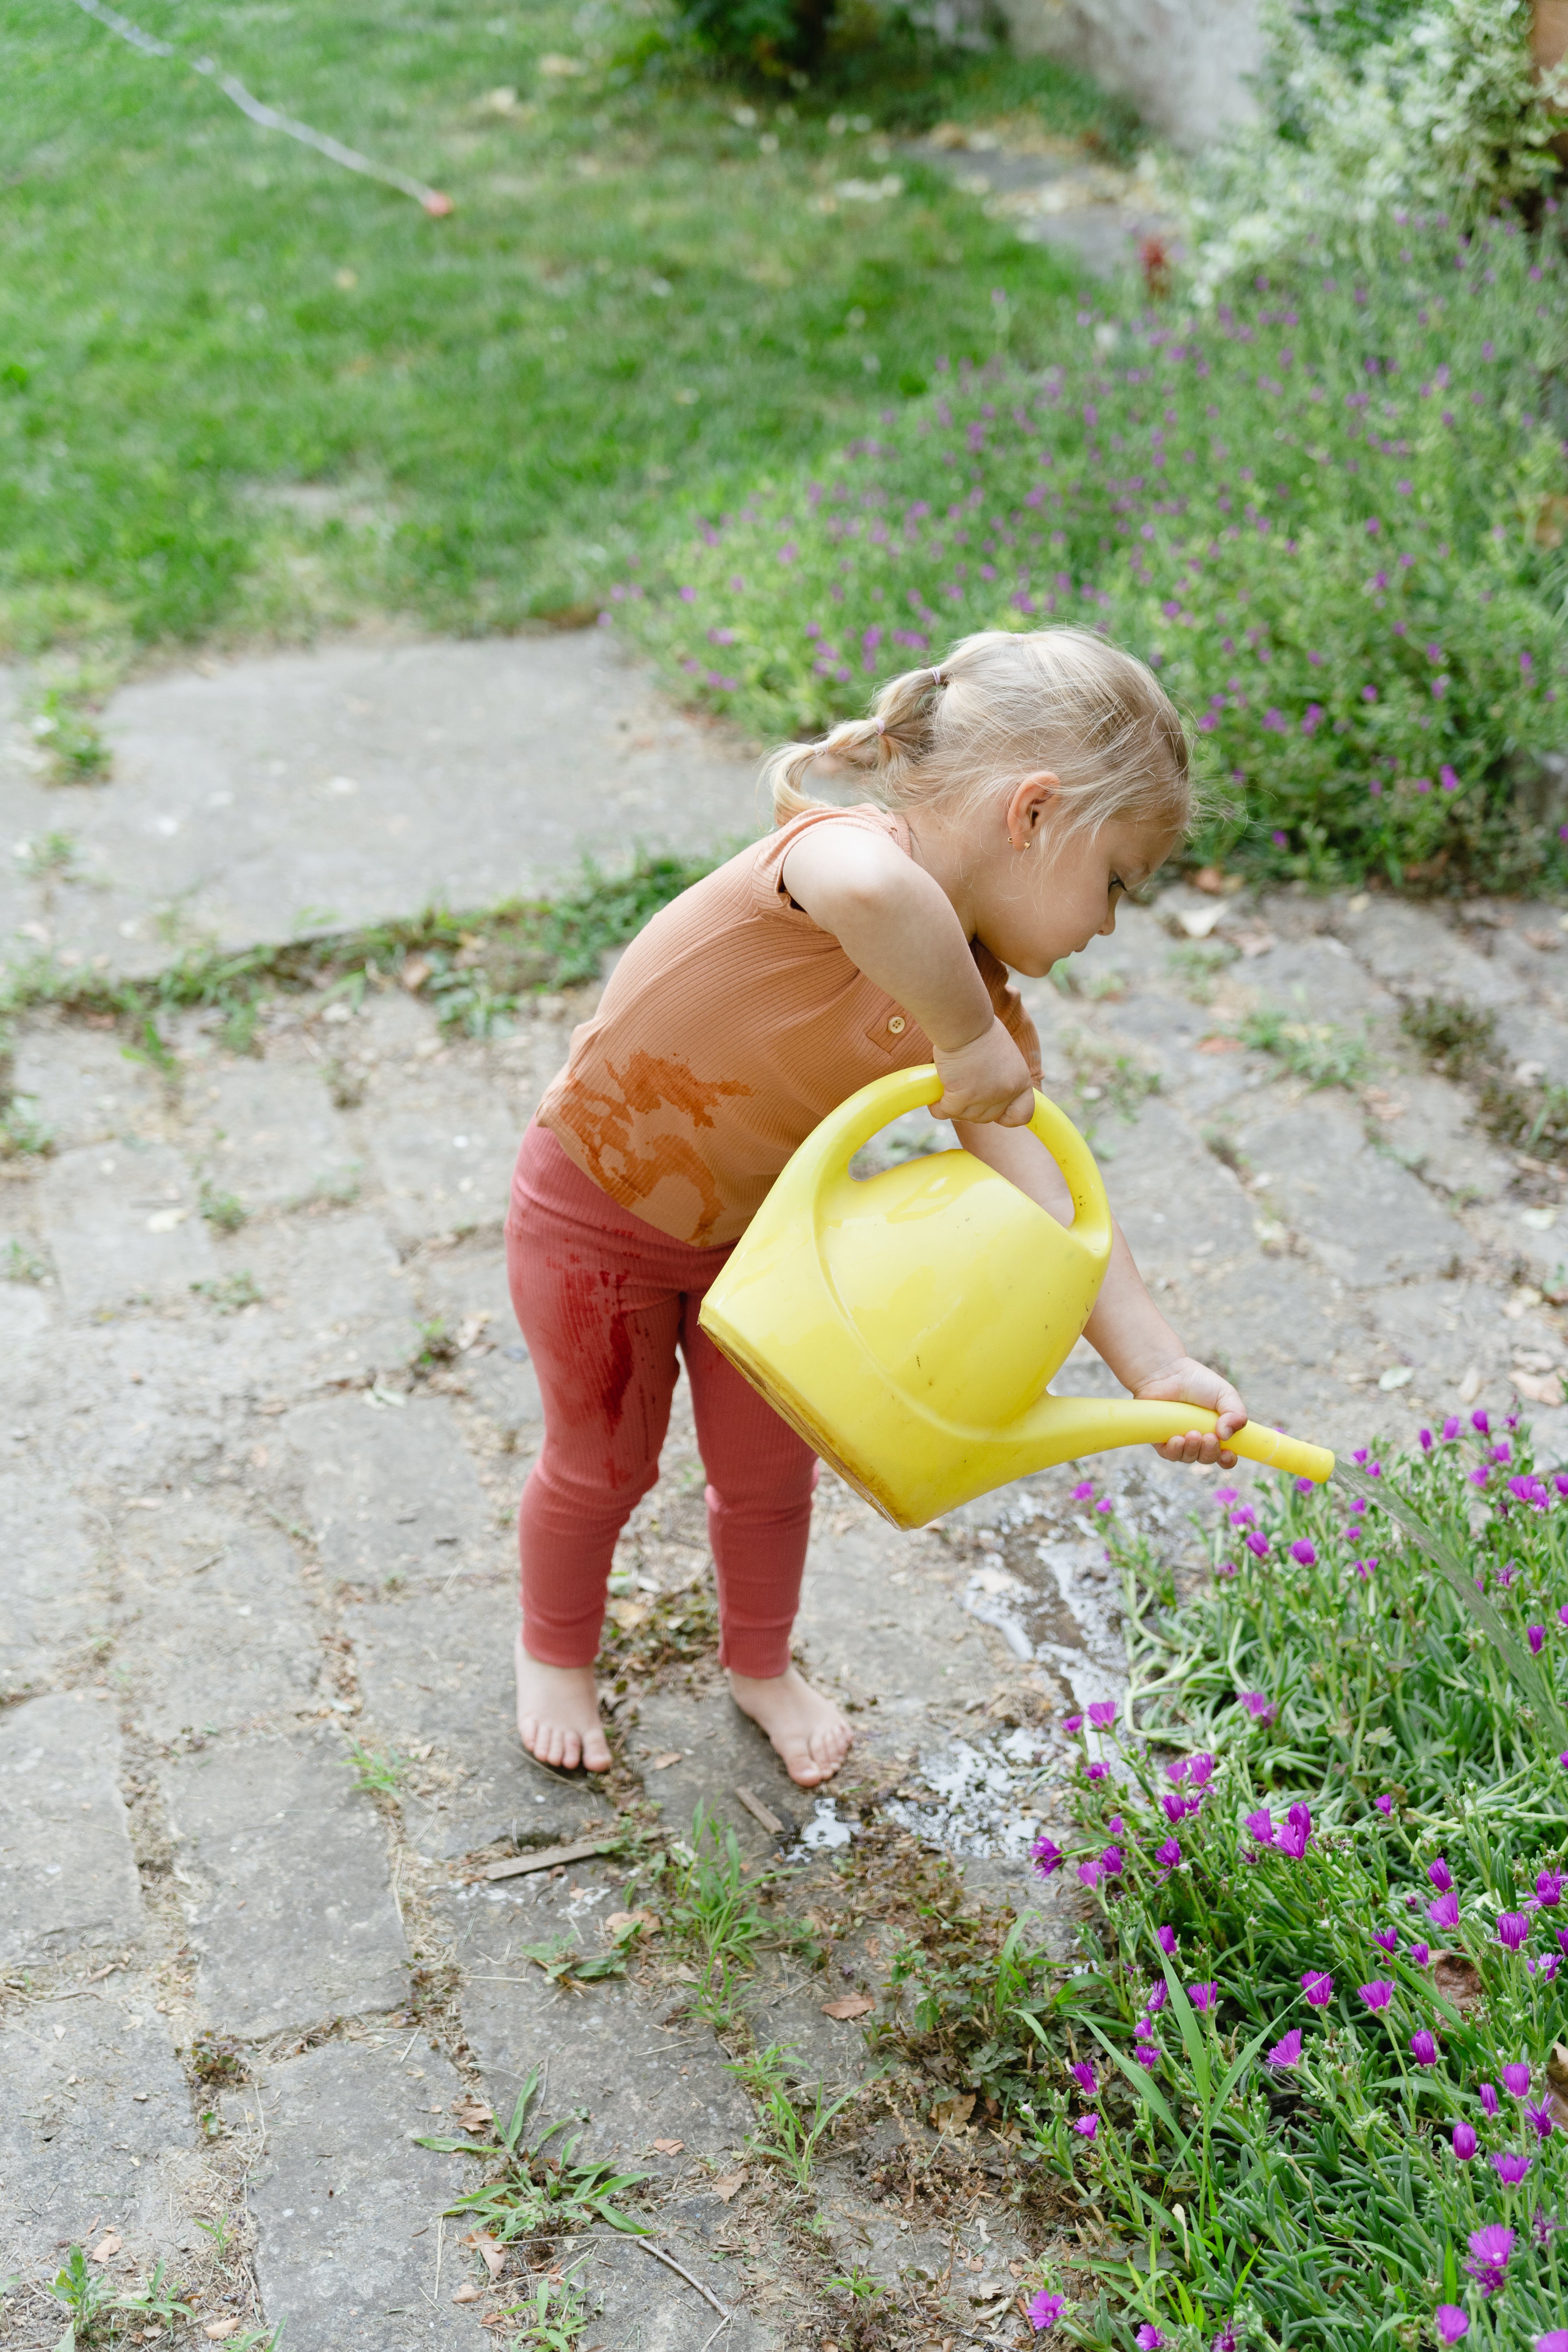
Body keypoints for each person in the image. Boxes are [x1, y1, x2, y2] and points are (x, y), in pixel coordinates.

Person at [504, 627, 1246, 1787]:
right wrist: (962, 1037)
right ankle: (553, 1650)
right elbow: (871, 892)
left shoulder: (986, 1005)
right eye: (1116, 882)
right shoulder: (839, 856)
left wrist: (1158, 1367)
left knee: (769, 1479)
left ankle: (760, 1665)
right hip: (593, 1218)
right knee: (604, 1462)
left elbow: (1052, 1203)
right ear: (1034, 813)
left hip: (763, 1257)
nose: (1109, 921)